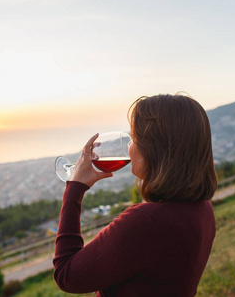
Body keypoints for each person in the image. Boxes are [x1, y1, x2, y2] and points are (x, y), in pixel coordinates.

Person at [53, 94, 217, 296]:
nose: (129, 147)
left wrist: (75, 187)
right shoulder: (203, 208)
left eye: (135, 138)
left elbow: (66, 275)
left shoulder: (145, 223)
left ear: (156, 148)